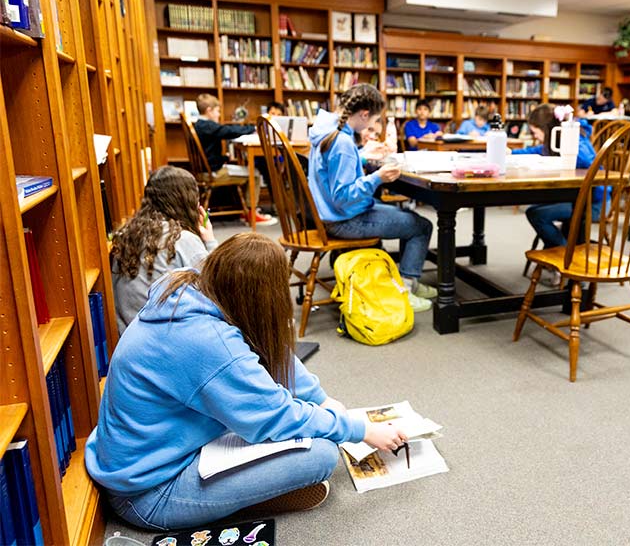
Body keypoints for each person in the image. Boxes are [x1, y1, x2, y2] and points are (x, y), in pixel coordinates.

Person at [86, 233, 408, 530]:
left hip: (147, 455)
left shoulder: (190, 288)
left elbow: (268, 348)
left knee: (310, 422)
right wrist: (361, 429)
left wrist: (320, 399)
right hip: (149, 493)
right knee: (322, 453)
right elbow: (277, 415)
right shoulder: (210, 343)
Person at [308, 84, 436, 312]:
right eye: (373, 120)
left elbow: (334, 170)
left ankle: (410, 281)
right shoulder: (342, 143)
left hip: (329, 214)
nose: (371, 126)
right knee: (421, 226)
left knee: (407, 217)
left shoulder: (325, 129)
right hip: (344, 219)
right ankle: (405, 289)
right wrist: (377, 177)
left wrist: (363, 157)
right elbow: (343, 197)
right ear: (364, 114)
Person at [110, 166, 217, 335]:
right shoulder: (183, 240)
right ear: (187, 201)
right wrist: (210, 242)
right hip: (169, 338)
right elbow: (218, 291)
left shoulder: (126, 234)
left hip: (129, 336)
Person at [512, 104, 607, 283]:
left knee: (536, 214)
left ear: (547, 130)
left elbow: (588, 161)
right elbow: (536, 151)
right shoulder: (550, 143)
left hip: (592, 202)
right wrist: (513, 153)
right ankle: (559, 252)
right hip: (573, 199)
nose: (535, 137)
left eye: (536, 132)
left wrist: (569, 142)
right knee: (538, 209)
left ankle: (565, 257)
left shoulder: (574, 138)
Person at [193, 93, 276, 226]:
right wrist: (253, 128)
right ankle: (251, 212)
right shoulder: (207, 126)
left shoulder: (199, 125)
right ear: (209, 110)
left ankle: (246, 210)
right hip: (213, 172)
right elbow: (228, 131)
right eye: (217, 111)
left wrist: (224, 157)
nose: (219, 114)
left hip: (206, 170)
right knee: (254, 173)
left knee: (247, 171)